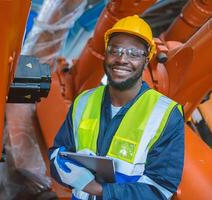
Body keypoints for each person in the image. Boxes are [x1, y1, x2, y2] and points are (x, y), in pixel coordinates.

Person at [48, 15, 184, 200]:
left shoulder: (166, 114)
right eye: (115, 50)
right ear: (106, 54)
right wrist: (67, 169)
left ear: (146, 60)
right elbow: (57, 153)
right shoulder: (84, 101)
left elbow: (160, 189)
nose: (122, 59)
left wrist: (97, 189)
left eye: (134, 53)